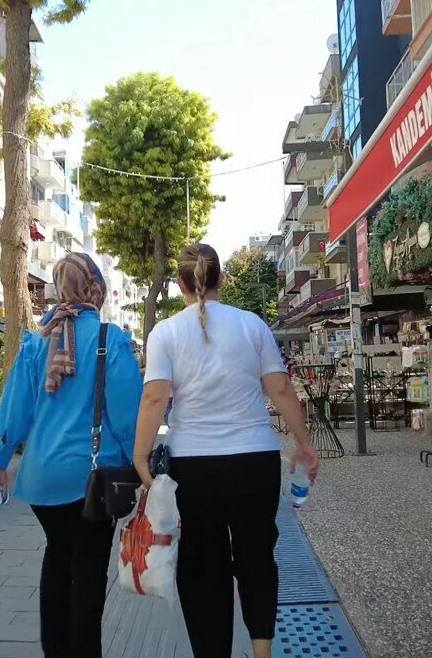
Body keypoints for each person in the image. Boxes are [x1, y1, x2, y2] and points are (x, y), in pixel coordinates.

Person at [133, 243, 317, 658]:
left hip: (193, 467)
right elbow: (279, 388)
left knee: (202, 567)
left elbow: (155, 398)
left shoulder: (165, 333)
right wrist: (304, 443)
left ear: (179, 283)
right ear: (222, 279)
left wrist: (140, 456)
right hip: (255, 460)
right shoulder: (252, 324)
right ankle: (262, 652)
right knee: (257, 557)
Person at [0, 253, 143, 658]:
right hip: (92, 478)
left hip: (42, 477)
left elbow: (15, 408)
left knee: (57, 559)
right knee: (88, 572)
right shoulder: (109, 339)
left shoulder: (37, 342)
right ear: (95, 288)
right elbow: (127, 415)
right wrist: (140, 465)